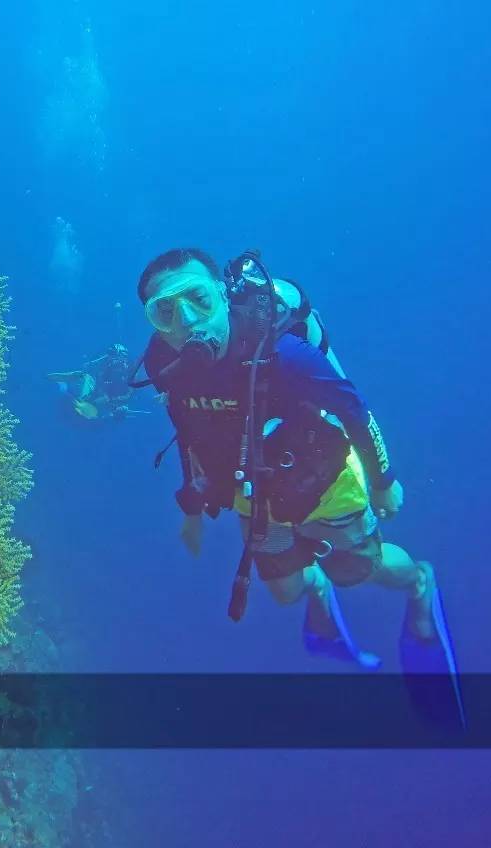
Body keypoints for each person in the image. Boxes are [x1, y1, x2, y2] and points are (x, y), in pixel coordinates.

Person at [133, 248, 460, 713]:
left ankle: (419, 582)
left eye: (198, 299)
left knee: (357, 571)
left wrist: (384, 481)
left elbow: (354, 410)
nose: (186, 321)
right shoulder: (163, 363)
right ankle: (318, 587)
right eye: (164, 311)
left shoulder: (284, 355)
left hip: (326, 483)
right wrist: (193, 509)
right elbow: (186, 430)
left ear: (223, 295)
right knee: (287, 593)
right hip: (253, 491)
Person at [47, 343, 140, 423]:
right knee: (84, 377)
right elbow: (92, 377)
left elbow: (130, 393)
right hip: (94, 399)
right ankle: (67, 389)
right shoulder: (104, 367)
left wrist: (118, 405)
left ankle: (71, 395)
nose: (118, 362)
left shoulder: (130, 373)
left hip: (109, 405)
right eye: (115, 357)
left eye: (121, 357)